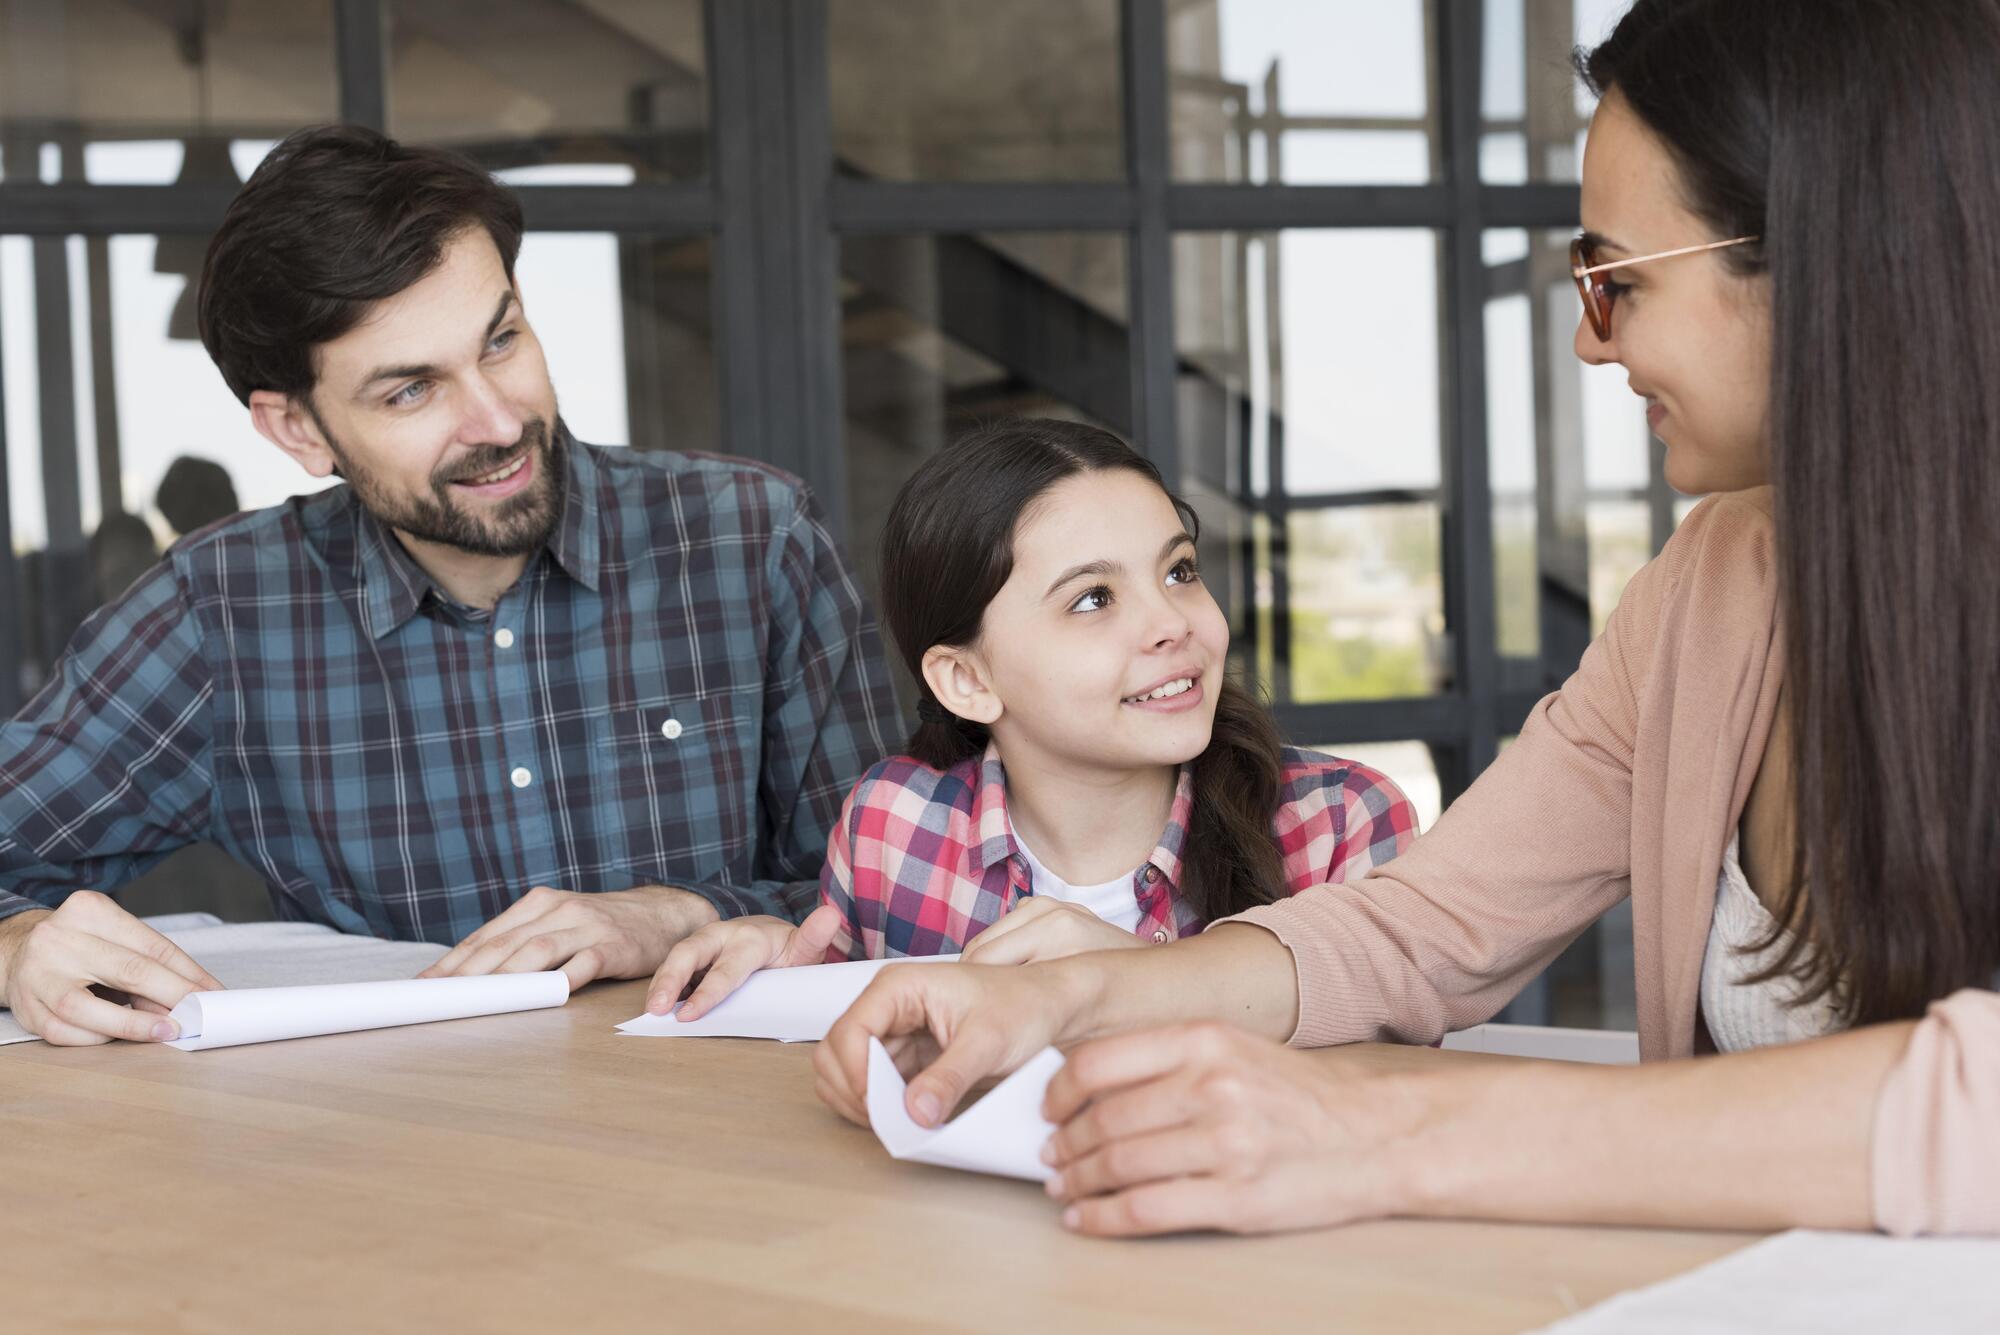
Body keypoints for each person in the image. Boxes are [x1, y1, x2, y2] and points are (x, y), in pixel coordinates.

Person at [812, 0, 2000, 1240]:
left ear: (1822, 262)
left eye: (1613, 280)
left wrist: (1378, 1137)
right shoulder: (1706, 590)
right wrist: (1081, 1000)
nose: (1590, 344)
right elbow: (1425, 925)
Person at [0, 125, 901, 1046]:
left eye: (502, 340)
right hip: (403, 1159)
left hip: (731, 1141)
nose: (499, 419)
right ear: (300, 432)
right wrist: (19, 943)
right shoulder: (221, 614)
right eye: (411, 392)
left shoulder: (751, 538)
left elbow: (899, 893)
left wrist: (680, 912)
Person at [642, 419, 1419, 1020]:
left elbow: (1396, 1083)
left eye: (1179, 571)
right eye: (1094, 598)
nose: (1171, 622)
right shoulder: (892, 825)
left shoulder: (1341, 824)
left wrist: (1134, 985)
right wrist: (779, 975)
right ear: (967, 679)